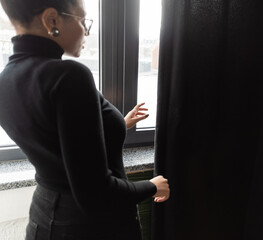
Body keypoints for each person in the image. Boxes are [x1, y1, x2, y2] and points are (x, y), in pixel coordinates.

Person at [0, 0, 170, 239]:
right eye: (82, 21)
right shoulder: (68, 76)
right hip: (93, 226)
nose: (86, 32)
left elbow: (58, 139)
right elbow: (96, 193)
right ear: (52, 20)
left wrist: (120, 122)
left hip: (43, 218)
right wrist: (153, 185)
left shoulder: (6, 79)